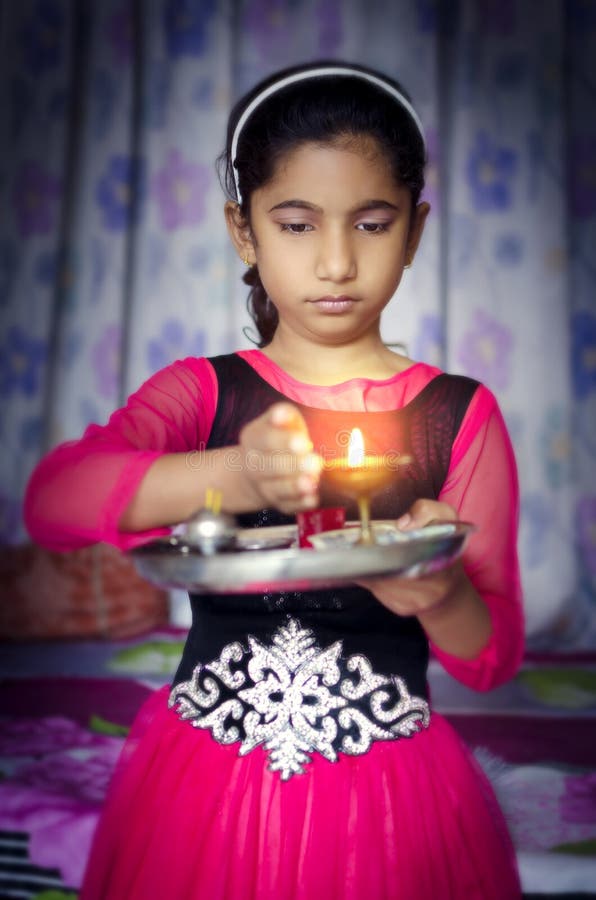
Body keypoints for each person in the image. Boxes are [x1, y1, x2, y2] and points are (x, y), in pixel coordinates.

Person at [25, 61, 524, 900]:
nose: (334, 263)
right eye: (296, 226)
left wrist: (437, 593)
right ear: (244, 231)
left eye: (371, 224)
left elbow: (492, 659)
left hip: (390, 797)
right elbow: (54, 504)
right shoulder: (202, 392)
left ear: (415, 229)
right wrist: (236, 471)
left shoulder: (458, 417)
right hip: (202, 785)